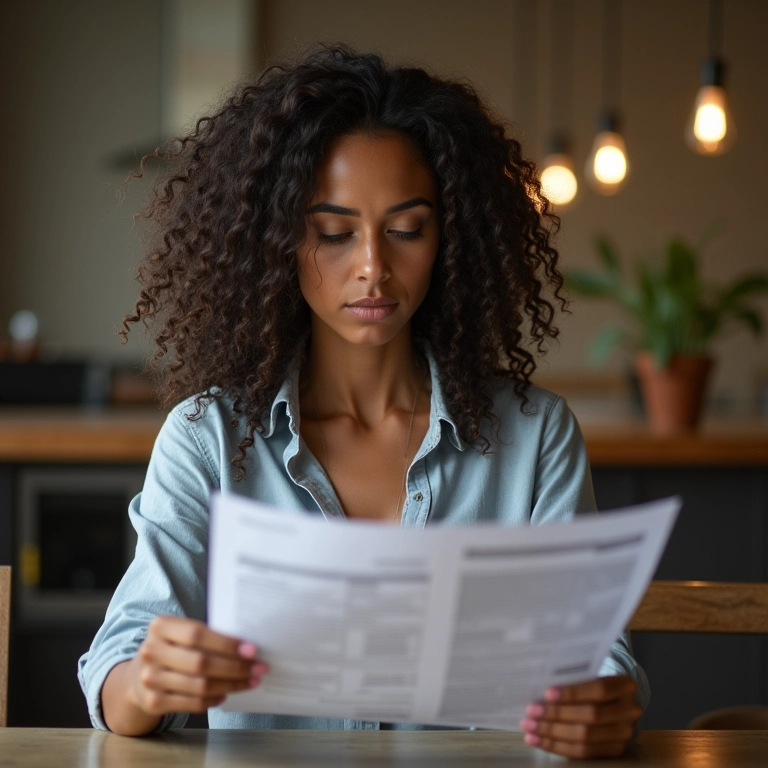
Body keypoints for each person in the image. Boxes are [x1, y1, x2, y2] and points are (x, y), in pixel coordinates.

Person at [78, 45, 648, 758]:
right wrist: (148, 684)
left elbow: (597, 659)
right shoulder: (206, 439)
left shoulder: (533, 437)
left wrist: (604, 702)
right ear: (279, 239)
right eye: (334, 233)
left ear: (451, 239)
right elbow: (118, 667)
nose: (374, 267)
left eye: (407, 229)